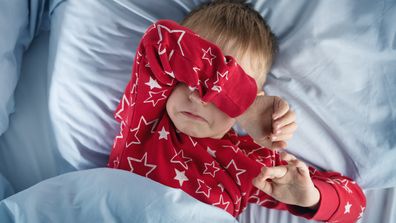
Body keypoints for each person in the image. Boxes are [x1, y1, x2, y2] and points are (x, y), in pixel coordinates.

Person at [108, 1, 366, 222]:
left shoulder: (251, 164)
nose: (199, 97)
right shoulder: (145, 117)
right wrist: (241, 102)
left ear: (258, 102)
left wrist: (309, 195)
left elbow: (356, 204)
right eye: (191, 77)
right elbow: (160, 40)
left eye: (222, 92)